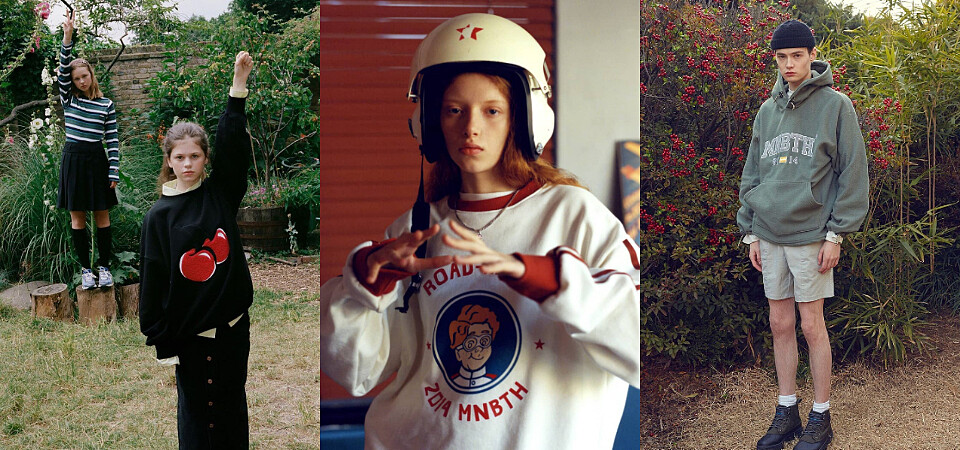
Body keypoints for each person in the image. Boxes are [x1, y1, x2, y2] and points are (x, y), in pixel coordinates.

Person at [319, 13, 640, 449]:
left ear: (525, 119)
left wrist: (542, 276)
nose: (471, 127)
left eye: (492, 110)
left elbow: (639, 348)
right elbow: (358, 371)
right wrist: (366, 280)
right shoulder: (415, 228)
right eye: (453, 110)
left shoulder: (574, 215)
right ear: (429, 123)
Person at [737, 19, 869, 450]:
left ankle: (821, 416)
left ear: (812, 55)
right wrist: (751, 231)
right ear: (775, 59)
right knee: (779, 322)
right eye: (782, 57)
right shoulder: (767, 110)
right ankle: (787, 409)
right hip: (769, 232)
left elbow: (852, 173)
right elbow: (753, 171)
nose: (789, 64)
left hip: (812, 233)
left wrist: (837, 234)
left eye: (797, 55)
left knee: (812, 325)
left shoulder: (836, 106)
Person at [138, 51, 255, 449]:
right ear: (168, 161)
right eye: (179, 157)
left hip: (234, 328)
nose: (188, 164)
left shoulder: (220, 196)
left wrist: (237, 88)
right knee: (198, 415)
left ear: (205, 158)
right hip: (192, 336)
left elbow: (234, 149)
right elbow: (153, 278)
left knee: (231, 408)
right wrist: (161, 339)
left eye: (195, 156)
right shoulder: (159, 216)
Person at [58, 11, 119, 289]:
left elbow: (113, 139)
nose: (81, 81)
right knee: (77, 216)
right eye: (76, 79)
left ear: (91, 75)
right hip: (73, 159)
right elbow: (61, 69)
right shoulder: (69, 101)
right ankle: (86, 270)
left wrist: (114, 169)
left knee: (102, 213)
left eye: (84, 76)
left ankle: (104, 268)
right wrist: (67, 37)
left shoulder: (105, 105)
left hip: (97, 160)